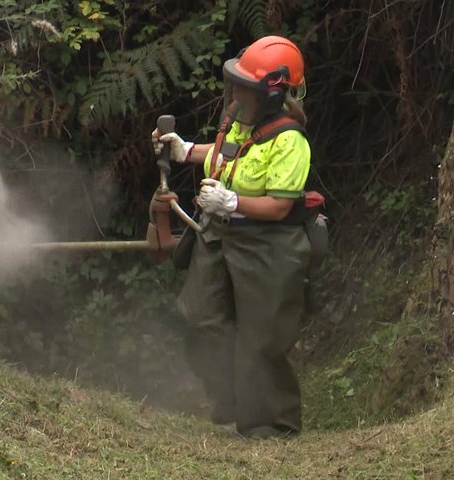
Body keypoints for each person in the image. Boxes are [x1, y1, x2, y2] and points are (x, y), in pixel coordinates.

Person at [152, 36, 313, 439]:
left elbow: (278, 205)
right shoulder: (243, 121)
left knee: (262, 338)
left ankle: (272, 424)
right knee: (199, 317)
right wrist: (185, 150)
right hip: (221, 235)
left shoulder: (290, 141)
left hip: (268, 244)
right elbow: (227, 156)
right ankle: (231, 401)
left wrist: (231, 200)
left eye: (245, 85)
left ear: (271, 94)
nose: (236, 91)